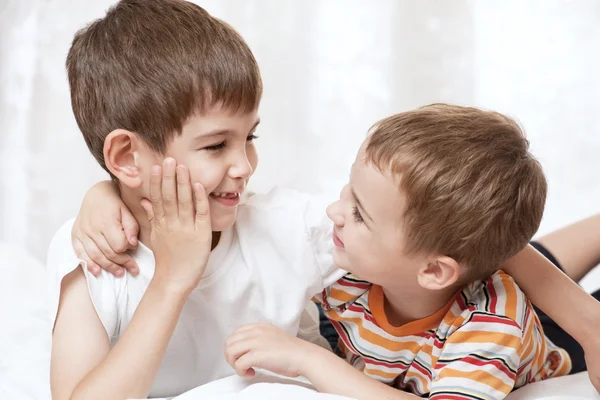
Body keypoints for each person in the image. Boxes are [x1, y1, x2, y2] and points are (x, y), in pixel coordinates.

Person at [48, 1, 342, 399]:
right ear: (127, 158)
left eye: (249, 137)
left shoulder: (286, 225)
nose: (244, 165)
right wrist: (171, 280)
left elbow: (403, 229)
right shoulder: (97, 257)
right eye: (217, 145)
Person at [223, 105, 599, 399]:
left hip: (532, 346)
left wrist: (309, 359)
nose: (333, 212)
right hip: (429, 309)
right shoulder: (352, 263)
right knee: (484, 245)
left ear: (434, 272)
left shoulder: (494, 329)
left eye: (360, 213)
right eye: (348, 190)